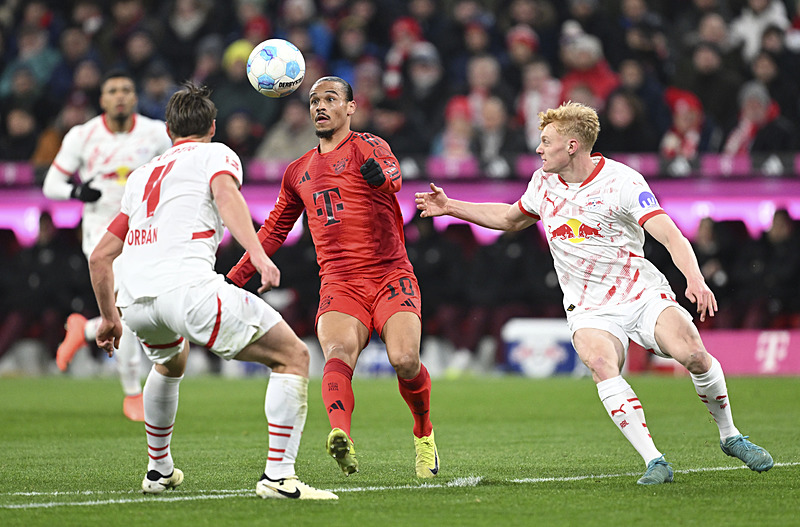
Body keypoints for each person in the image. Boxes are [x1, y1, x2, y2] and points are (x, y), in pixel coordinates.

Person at [415, 101, 774, 485]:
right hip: (588, 307)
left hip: (640, 293)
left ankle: (730, 435)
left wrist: (695, 279)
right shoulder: (542, 183)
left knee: (695, 356)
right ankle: (655, 461)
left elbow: (669, 233)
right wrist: (450, 205)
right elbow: (508, 218)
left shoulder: (623, 182)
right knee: (602, 365)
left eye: (545, 141)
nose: (538, 149)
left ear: (571, 145)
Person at [88, 82, 337, 500]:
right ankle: (279, 477)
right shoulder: (216, 154)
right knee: (293, 356)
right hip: (188, 290)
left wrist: (111, 319)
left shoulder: (143, 174)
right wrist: (257, 254)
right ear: (213, 127)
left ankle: (159, 470)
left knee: (170, 362)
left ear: (169, 130)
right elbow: (226, 195)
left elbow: (99, 257)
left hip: (136, 303)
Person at [227, 76, 438, 479]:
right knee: (338, 354)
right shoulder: (297, 171)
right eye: (313, 101)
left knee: (405, 359)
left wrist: (381, 178)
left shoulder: (369, 146)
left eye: (330, 99)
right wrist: (234, 279)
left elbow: (393, 177)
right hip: (339, 281)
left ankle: (424, 434)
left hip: (389, 273)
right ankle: (342, 435)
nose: (320, 106)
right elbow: (273, 230)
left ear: (350, 108)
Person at [42, 69, 173, 421]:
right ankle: (133, 393)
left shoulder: (156, 133)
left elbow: (173, 170)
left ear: (134, 97)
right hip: (101, 233)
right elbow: (50, 184)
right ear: (102, 99)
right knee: (127, 310)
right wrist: (76, 191)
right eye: (112, 90)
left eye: (126, 90)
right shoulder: (81, 135)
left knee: (138, 308)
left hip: (143, 230)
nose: (119, 96)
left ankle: (83, 329)